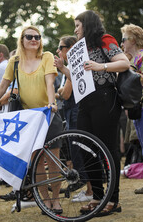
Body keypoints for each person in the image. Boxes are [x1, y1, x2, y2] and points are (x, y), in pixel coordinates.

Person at [54, 10, 130, 216]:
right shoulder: (79, 48)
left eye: (77, 25)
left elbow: (124, 63)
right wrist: (63, 69)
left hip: (105, 99)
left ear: (87, 25)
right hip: (85, 102)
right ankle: (97, 197)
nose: (75, 30)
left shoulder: (104, 39)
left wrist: (101, 66)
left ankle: (113, 200)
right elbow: (80, 77)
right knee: (85, 148)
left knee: (108, 149)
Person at [0, 26, 63, 213]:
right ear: (22, 39)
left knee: (53, 162)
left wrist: (52, 103)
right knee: (35, 163)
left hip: (48, 114)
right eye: (29, 36)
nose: (34, 39)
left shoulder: (47, 57)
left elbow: (50, 82)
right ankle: (45, 201)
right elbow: (3, 86)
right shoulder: (15, 61)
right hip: (28, 120)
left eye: (37, 36)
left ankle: (56, 200)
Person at [121, 23, 143, 198]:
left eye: (124, 39)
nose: (121, 44)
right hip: (139, 108)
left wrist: (130, 71)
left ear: (133, 40)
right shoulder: (131, 59)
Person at [55, 35, 93, 202]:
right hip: (72, 110)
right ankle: (90, 189)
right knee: (77, 148)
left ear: (70, 49)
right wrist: (60, 91)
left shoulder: (72, 66)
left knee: (80, 148)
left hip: (75, 110)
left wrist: (59, 91)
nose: (57, 51)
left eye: (60, 47)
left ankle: (91, 190)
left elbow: (66, 93)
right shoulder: (68, 68)